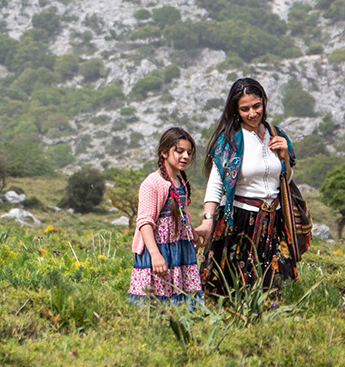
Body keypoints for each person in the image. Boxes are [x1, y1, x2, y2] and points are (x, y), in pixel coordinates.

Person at [194, 77, 302, 294]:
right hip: (240, 221)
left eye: (256, 106)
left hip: (273, 221)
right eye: (245, 109)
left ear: (264, 103)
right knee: (232, 288)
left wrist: (283, 157)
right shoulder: (230, 140)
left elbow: (285, 179)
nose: (252, 113)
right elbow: (216, 183)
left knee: (274, 291)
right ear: (235, 110)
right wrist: (207, 220)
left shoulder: (277, 134)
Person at [127, 127, 203, 306]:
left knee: (181, 296)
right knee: (156, 297)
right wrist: (155, 255)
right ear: (164, 152)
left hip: (179, 247)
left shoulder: (180, 181)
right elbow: (145, 222)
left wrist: (193, 234)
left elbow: (181, 215)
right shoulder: (152, 183)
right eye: (179, 151)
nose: (185, 156)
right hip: (160, 248)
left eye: (189, 152)